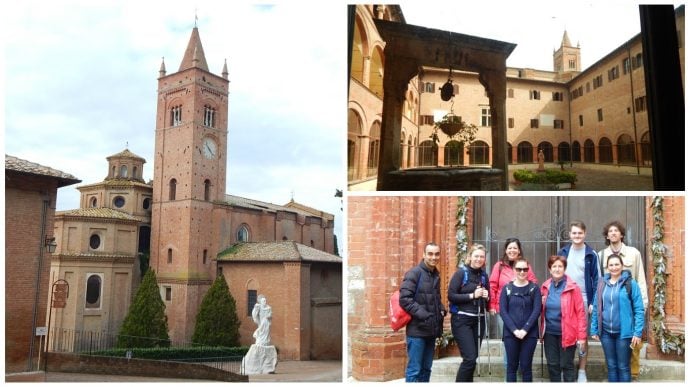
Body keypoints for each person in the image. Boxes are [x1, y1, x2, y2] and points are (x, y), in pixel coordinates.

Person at [599, 220, 648, 381]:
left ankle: (631, 378)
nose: (613, 233)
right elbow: (600, 285)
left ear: (621, 234)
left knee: (631, 356)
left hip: (629, 306)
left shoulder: (633, 253)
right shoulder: (601, 256)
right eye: (610, 231)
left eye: (616, 230)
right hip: (610, 314)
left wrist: (643, 305)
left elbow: (640, 280)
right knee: (612, 362)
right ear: (607, 235)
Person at [590, 254, 645, 382]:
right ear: (607, 267)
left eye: (617, 264)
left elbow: (639, 309)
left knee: (623, 366)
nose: (614, 267)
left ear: (622, 266)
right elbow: (597, 307)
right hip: (606, 333)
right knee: (611, 366)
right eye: (611, 265)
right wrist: (594, 328)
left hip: (624, 334)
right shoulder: (601, 283)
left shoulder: (631, 283)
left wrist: (637, 332)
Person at [399, 242, 447, 382]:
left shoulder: (434, 274)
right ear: (423, 255)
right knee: (414, 370)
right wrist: (425, 315)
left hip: (431, 330)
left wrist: (441, 309)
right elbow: (405, 299)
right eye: (430, 254)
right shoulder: (414, 273)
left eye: (437, 254)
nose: (434, 257)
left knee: (426, 369)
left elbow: (433, 298)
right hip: (417, 331)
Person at [558, 220, 599, 382]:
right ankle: (565, 368)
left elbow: (597, 280)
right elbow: (556, 273)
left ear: (585, 234)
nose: (577, 236)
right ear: (570, 234)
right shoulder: (563, 252)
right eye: (574, 233)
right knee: (565, 334)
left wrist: (593, 302)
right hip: (565, 297)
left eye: (580, 233)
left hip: (583, 298)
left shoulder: (591, 254)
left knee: (582, 337)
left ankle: (582, 370)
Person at [540, 255, 587, 382]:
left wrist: (581, 337)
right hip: (549, 333)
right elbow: (540, 309)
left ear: (564, 268)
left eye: (560, 266)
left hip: (567, 333)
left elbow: (581, 313)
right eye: (554, 266)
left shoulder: (573, 287)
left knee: (567, 365)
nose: (557, 269)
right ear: (550, 269)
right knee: (552, 365)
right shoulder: (545, 287)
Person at [447, 244, 490, 382]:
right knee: (470, 358)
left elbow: (488, 301)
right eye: (476, 256)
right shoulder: (461, 273)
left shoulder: (484, 276)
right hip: (462, 320)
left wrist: (486, 296)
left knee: (472, 358)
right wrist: (472, 295)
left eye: (481, 256)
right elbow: (451, 295)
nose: (479, 259)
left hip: (479, 320)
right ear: (470, 257)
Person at [499, 258, 541, 382]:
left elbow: (536, 311)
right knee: (511, 367)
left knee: (526, 367)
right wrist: (514, 330)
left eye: (525, 269)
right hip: (510, 334)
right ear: (514, 270)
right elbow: (503, 311)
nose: (522, 272)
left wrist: (525, 329)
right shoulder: (507, 288)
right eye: (519, 269)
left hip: (530, 334)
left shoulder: (534, 289)